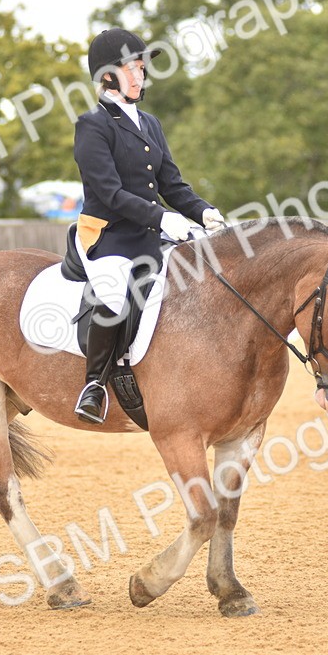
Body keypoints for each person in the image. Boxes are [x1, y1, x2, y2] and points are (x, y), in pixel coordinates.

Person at [72, 28, 226, 424]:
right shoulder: (92, 125)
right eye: (131, 69)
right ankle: (94, 385)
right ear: (107, 75)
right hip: (108, 235)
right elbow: (109, 192)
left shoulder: (150, 124)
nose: (140, 76)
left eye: (141, 68)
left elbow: (172, 185)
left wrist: (204, 212)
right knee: (114, 293)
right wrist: (162, 217)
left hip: (152, 234)